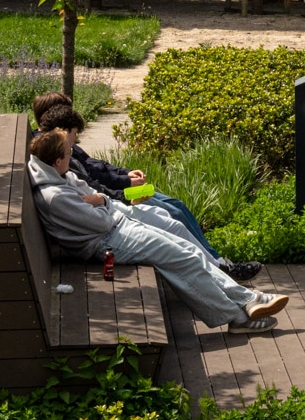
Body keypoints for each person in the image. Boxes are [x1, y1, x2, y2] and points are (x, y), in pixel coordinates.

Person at [27, 128, 287, 330]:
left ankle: (247, 299)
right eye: (68, 153)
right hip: (107, 241)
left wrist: (100, 201)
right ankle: (238, 317)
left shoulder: (61, 176)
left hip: (116, 227)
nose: (72, 156)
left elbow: (96, 198)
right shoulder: (55, 196)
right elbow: (102, 221)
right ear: (58, 160)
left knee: (188, 250)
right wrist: (103, 202)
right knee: (182, 258)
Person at [31, 93, 262, 281]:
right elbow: (95, 186)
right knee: (173, 214)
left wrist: (125, 174)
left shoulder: (64, 151)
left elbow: (97, 167)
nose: (75, 138)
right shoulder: (59, 155)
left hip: (115, 199)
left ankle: (218, 263)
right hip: (118, 201)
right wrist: (124, 190)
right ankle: (220, 268)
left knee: (175, 205)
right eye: (72, 131)